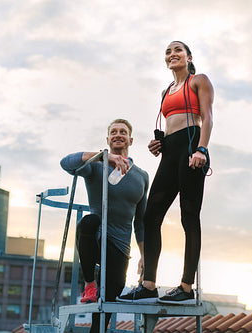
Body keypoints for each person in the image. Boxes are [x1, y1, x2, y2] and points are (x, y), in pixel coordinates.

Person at [117, 41, 214, 305]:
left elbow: (207, 117)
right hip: (171, 151)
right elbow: (170, 124)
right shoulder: (165, 91)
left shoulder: (199, 81)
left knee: (189, 216)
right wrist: (159, 143)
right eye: (168, 52)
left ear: (188, 57)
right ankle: (148, 285)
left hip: (192, 148)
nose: (172, 55)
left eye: (177, 50)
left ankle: (185, 287)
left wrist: (201, 150)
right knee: (151, 216)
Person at [60, 119, 149, 332]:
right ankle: (90, 284)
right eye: (114, 132)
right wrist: (103, 157)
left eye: (123, 132)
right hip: (96, 237)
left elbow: (141, 221)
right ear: (108, 139)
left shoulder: (142, 176)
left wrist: (146, 257)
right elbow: (66, 163)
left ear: (130, 139)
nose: (118, 135)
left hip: (120, 247)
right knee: (88, 221)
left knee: (106, 310)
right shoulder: (95, 166)